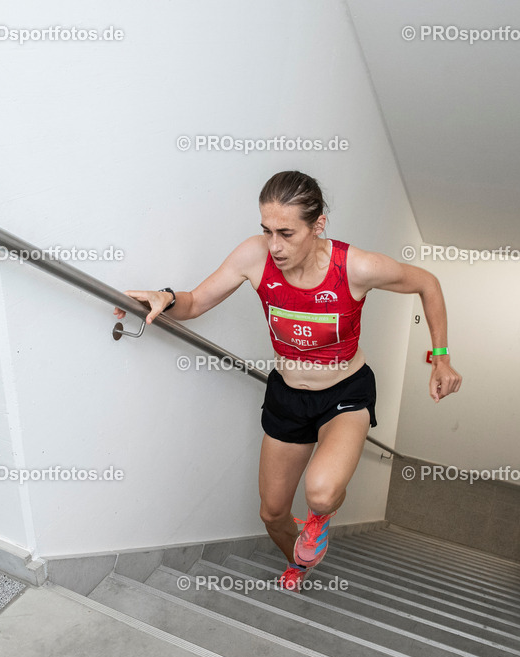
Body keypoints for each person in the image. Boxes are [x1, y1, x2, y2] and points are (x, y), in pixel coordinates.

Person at [114, 171, 461, 591]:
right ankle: (299, 563)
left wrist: (440, 359)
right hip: (287, 395)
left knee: (320, 491)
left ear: (318, 226)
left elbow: (428, 283)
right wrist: (164, 298)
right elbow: (196, 301)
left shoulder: (356, 267)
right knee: (272, 514)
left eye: (286, 233)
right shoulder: (253, 256)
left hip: (345, 393)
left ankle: (319, 519)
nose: (274, 246)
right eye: (266, 231)